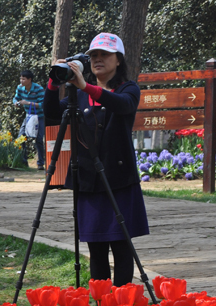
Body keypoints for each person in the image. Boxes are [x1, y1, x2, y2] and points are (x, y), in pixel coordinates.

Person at [43, 32, 149, 287]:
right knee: (97, 248)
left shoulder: (129, 88)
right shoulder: (78, 94)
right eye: (94, 55)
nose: (98, 60)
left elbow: (121, 105)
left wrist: (86, 87)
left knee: (122, 245)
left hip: (119, 179)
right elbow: (51, 115)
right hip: (89, 181)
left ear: (118, 60)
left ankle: (123, 304)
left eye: (105, 55)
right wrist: (52, 82)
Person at [13, 70, 45, 169]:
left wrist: (28, 103)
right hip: (29, 116)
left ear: (29, 79)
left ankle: (40, 163)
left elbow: (42, 105)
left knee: (39, 139)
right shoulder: (20, 88)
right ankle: (23, 161)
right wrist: (16, 103)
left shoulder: (38, 89)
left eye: (24, 79)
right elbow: (16, 98)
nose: (21, 81)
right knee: (20, 137)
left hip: (40, 117)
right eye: (20, 78)